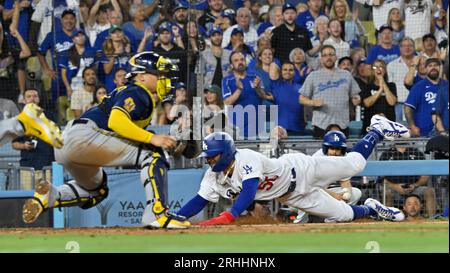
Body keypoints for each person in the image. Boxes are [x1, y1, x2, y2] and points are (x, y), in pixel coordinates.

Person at [21, 52, 190, 229]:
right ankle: (157, 213)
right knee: (153, 153)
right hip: (86, 136)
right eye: (159, 75)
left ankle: (51, 196)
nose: (164, 79)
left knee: (96, 190)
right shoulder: (139, 92)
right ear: (141, 76)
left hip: (67, 143)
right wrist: (153, 138)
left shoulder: (132, 92)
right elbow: (116, 121)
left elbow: (126, 133)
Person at [175, 115, 410, 226]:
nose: (209, 160)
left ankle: (377, 129)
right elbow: (199, 200)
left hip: (302, 170)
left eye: (212, 155)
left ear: (225, 153)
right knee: (343, 215)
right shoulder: (212, 175)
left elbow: (248, 191)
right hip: (293, 195)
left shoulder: (245, 157)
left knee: (356, 164)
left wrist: (229, 215)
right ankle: (371, 209)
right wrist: (175, 219)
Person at [299, 45, 361, 138]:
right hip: (321, 124)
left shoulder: (346, 75)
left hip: (342, 123)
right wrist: (313, 102)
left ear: (336, 57)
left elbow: (355, 95)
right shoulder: (313, 76)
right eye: (325, 55)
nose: (328, 57)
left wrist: (356, 98)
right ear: (321, 58)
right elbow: (301, 98)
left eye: (331, 54)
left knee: (342, 151)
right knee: (321, 152)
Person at [12, 89, 56, 189]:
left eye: (35, 96)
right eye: (29, 96)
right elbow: (14, 144)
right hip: (28, 168)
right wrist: (24, 146)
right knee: (29, 200)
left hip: (47, 167)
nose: (32, 99)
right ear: (24, 100)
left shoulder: (50, 116)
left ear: (39, 99)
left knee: (47, 199)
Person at [380, 144, 436, 218]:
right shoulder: (386, 154)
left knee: (429, 191)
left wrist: (414, 185)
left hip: (415, 187)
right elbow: (381, 178)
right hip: (394, 188)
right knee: (388, 193)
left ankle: (432, 220)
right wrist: (396, 187)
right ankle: (388, 219)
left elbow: (425, 176)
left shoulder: (417, 153)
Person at [222, 51, 268, 139]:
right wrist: (239, 89)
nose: (240, 62)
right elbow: (227, 102)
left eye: (242, 59)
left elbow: (263, 96)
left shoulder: (255, 77)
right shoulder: (227, 80)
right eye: (236, 60)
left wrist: (258, 88)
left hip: (257, 125)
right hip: (238, 128)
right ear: (231, 65)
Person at [405, 58, 449, 137]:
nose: (433, 67)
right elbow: (408, 108)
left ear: (440, 67)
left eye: (436, 65)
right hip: (423, 132)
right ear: (425, 69)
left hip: (445, 131)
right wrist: (412, 126)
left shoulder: (446, 85)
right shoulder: (419, 86)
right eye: (430, 66)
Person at [266, 62, 306, 135]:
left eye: (290, 70)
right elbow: (273, 65)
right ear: (280, 72)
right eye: (285, 69)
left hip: (299, 127)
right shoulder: (276, 85)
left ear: (294, 72)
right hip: (281, 129)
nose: (288, 72)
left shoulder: (301, 87)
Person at [360, 59, 398, 132]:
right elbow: (367, 103)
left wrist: (383, 83)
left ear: (385, 70)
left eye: (381, 67)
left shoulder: (391, 85)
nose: (378, 69)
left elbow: (392, 102)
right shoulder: (367, 86)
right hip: (370, 126)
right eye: (375, 67)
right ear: (372, 71)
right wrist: (380, 90)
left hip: (388, 126)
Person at [387, 37, 416, 122]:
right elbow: (390, 86)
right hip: (398, 105)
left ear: (414, 48)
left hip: (416, 105)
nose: (407, 48)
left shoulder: (420, 64)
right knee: (399, 133)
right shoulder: (392, 65)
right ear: (400, 48)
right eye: (404, 46)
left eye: (410, 46)